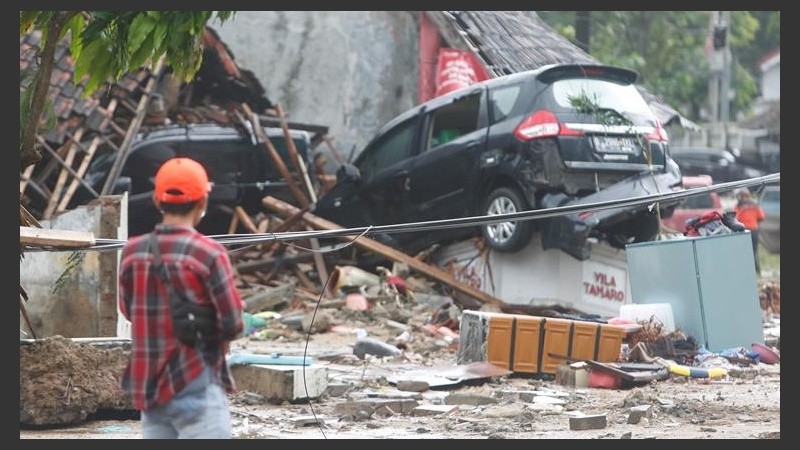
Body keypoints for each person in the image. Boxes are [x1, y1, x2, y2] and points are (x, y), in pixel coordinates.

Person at [118, 157, 244, 439]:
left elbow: (128, 310)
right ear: (202, 203)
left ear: (155, 199)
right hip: (195, 377)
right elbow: (233, 323)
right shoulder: (209, 253)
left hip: (149, 386)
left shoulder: (132, 252)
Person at [733, 188, 766, 275]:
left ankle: (746, 272)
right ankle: (757, 271)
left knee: (743, 252)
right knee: (754, 251)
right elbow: (761, 216)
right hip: (754, 230)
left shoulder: (739, 206)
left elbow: (735, 219)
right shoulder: (755, 205)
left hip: (743, 232)